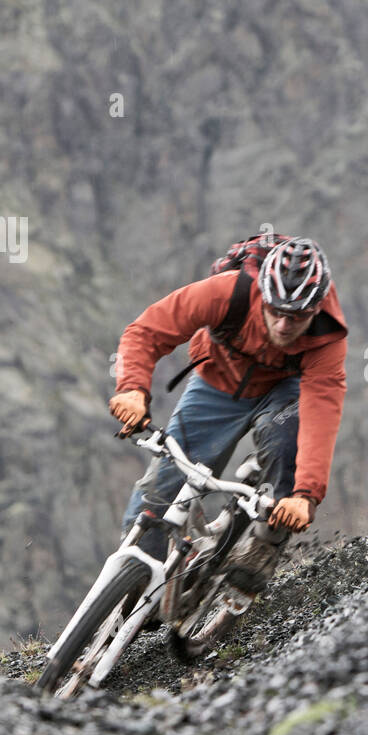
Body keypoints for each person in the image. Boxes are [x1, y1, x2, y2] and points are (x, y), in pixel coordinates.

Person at [107, 235, 347, 643]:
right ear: (262, 294)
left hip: (283, 392)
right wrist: (132, 388)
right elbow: (147, 331)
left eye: (298, 316)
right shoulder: (229, 292)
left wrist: (305, 495)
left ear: (316, 309)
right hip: (216, 382)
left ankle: (263, 547)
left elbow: (321, 412)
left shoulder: (327, 335)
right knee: (159, 493)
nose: (285, 326)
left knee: (287, 451)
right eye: (276, 312)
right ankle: (130, 586)